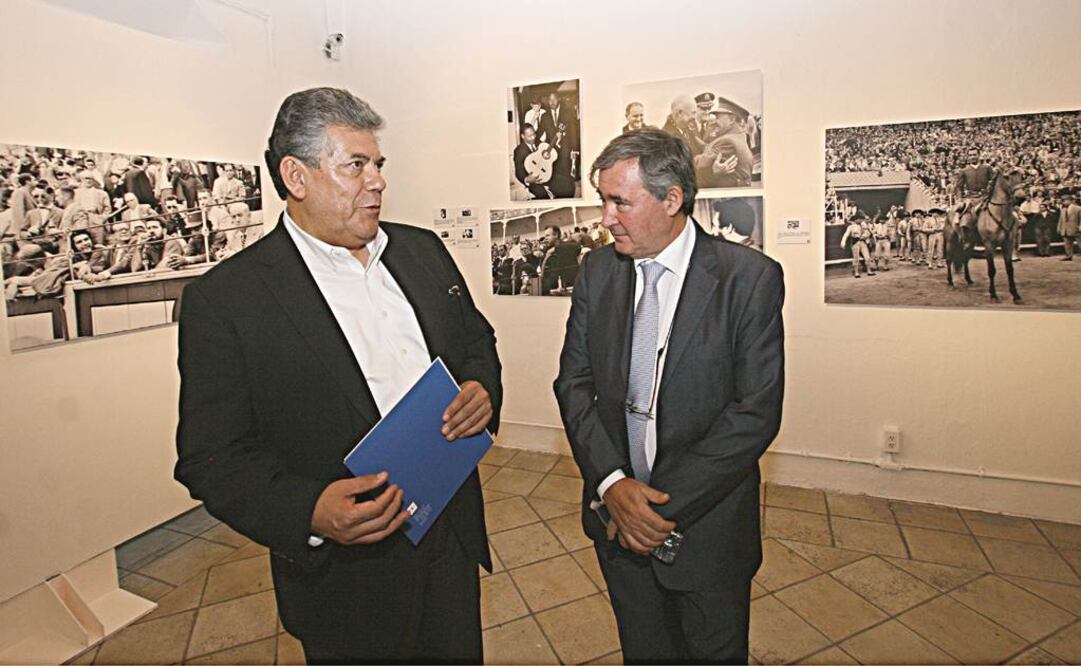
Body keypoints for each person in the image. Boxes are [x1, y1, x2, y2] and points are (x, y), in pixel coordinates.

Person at [174, 87, 501, 664]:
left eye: (378, 165)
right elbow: (211, 458)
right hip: (347, 581)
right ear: (296, 177)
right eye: (356, 165)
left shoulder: (422, 251)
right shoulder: (227, 300)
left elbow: (476, 341)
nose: (376, 181)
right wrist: (310, 512)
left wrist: (481, 389)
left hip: (448, 534)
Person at [553, 128, 784, 664]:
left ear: (672, 199)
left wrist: (654, 510)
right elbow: (574, 383)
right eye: (603, 200)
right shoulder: (598, 271)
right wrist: (613, 486)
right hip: (616, 526)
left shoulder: (748, 278)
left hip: (706, 532)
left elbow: (754, 413)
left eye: (619, 202)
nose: (605, 217)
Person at [513, 123, 554, 200]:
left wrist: (548, 155)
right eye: (529, 136)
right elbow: (519, 171)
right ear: (522, 136)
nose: (533, 138)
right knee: (544, 197)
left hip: (546, 176)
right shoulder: (519, 151)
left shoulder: (539, 143)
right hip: (534, 182)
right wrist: (527, 180)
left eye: (534, 134)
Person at [840, 212, 875, 277]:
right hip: (855, 242)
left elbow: (869, 233)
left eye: (861, 219)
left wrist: (865, 236)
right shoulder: (851, 227)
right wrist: (843, 242)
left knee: (867, 257)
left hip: (862, 242)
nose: (861, 220)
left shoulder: (864, 226)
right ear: (855, 219)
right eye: (860, 219)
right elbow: (846, 235)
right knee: (856, 258)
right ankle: (856, 272)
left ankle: (869, 271)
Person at [1058, 190, 1080, 260]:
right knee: (1067, 243)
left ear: (1070, 200)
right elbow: (1061, 220)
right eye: (1063, 201)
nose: (1063, 202)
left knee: (1080, 242)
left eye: (1065, 200)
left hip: (1076, 228)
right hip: (1065, 229)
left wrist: (1080, 227)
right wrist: (1059, 228)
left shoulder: (1078, 208)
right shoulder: (1063, 209)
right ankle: (1068, 256)